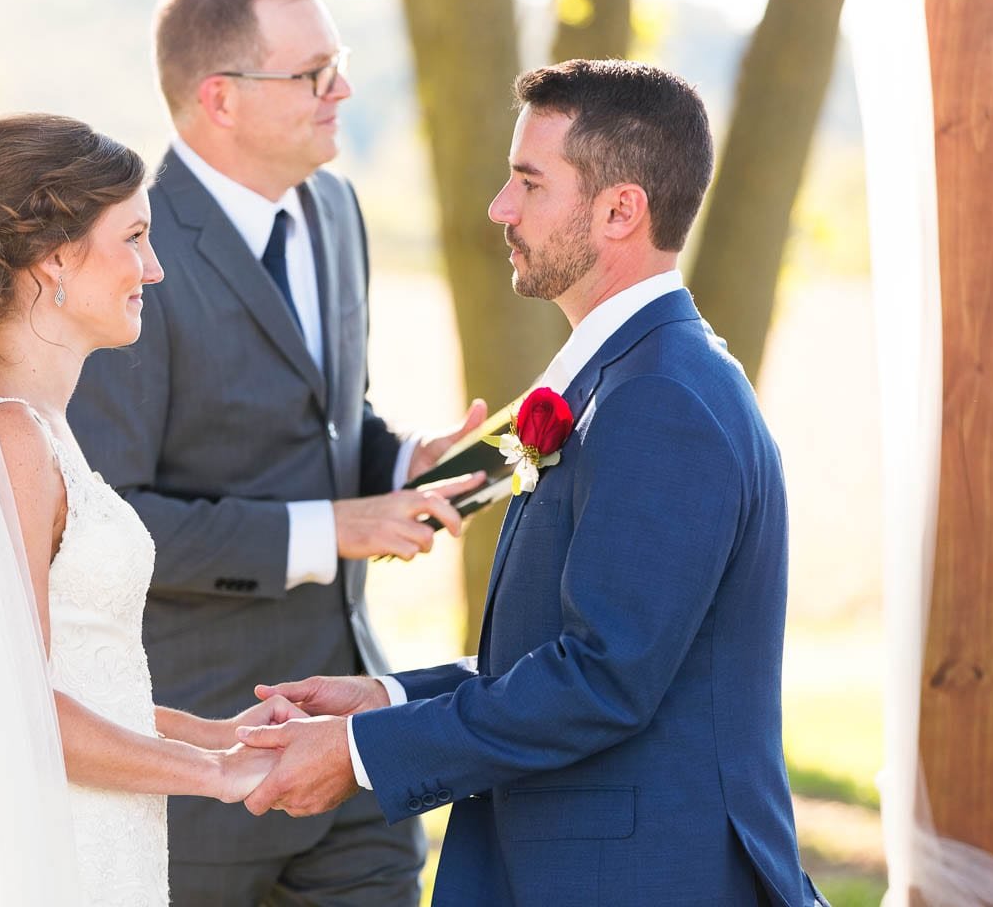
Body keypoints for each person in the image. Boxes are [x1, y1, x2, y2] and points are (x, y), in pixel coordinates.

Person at [238, 60, 829, 906]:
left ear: (620, 208)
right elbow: (565, 653)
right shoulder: (621, 379)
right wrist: (386, 695)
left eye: (528, 182)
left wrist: (362, 753)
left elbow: (601, 680)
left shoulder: (659, 399)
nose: (499, 208)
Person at [67, 0, 484, 904]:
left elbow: (332, 420)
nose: (341, 89)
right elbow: (113, 522)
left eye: (335, 63)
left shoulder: (335, 209)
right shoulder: (129, 248)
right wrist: (332, 529)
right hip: (202, 752)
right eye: (314, 72)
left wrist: (402, 459)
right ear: (220, 97)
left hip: (357, 754)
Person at [0, 113, 306, 906]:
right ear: (56, 259)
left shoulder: (44, 431)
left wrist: (219, 733)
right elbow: (13, 706)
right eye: (134, 238)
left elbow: (83, 681)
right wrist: (218, 775)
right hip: (60, 851)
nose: (153, 270)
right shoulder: (11, 438)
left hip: (107, 835)